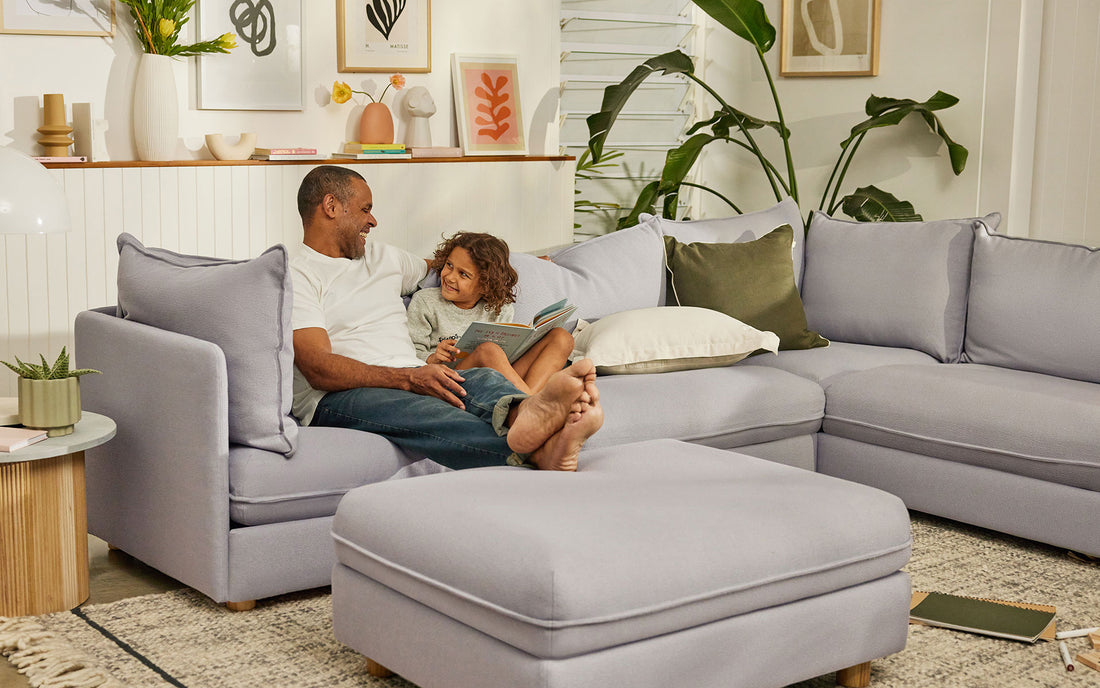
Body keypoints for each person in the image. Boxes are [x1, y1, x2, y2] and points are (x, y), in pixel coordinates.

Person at [289, 165, 603, 471]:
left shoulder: (385, 257)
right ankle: (538, 451)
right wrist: (408, 379)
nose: (372, 220)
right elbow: (318, 368)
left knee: (482, 379)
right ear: (331, 206)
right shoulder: (296, 273)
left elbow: (457, 265)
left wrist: (529, 262)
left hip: (412, 376)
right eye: (364, 209)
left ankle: (528, 410)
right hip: (339, 396)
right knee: (430, 411)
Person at [406, 231, 574, 394]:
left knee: (561, 337)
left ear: (486, 284)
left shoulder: (500, 308)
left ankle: (528, 397)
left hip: (500, 375)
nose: (450, 277)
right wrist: (433, 358)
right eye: (449, 265)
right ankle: (531, 403)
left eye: (463, 274)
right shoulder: (425, 302)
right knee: (488, 350)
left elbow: (505, 358)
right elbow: (408, 354)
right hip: (455, 378)